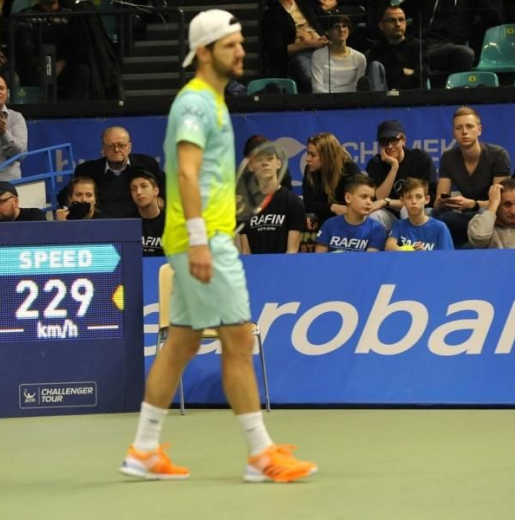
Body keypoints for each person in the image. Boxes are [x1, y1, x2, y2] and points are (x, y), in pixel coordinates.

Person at [120, 10, 317, 483]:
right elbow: (185, 173)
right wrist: (202, 240)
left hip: (201, 237)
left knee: (181, 343)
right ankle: (261, 454)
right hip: (201, 241)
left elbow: (206, 178)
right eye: (231, 44)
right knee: (238, 338)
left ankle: (144, 449)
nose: (242, 51)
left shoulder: (213, 102)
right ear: (205, 52)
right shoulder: (194, 105)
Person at [433, 106, 511, 246]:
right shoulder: (448, 157)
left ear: (479, 130)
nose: (464, 132)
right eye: (459, 128)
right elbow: (438, 203)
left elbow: (503, 202)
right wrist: (444, 201)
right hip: (464, 212)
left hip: (490, 211)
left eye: (469, 126)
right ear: (453, 133)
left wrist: (473, 204)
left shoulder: (498, 155)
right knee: (435, 215)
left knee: (448, 220)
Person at [62, 126, 163, 218]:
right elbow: (66, 196)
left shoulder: (147, 164)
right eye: (110, 146)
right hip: (100, 226)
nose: (116, 149)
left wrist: (161, 199)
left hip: (140, 223)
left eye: (121, 145)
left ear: (129, 147)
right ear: (103, 149)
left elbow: (167, 189)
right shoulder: (86, 170)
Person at [365, 120, 437, 232]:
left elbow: (425, 199)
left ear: (403, 140)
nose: (389, 146)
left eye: (394, 141)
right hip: (390, 216)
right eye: (384, 142)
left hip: (418, 212)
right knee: (375, 216)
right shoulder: (375, 163)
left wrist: (387, 202)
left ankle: (413, 247)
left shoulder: (420, 159)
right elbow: (378, 198)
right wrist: (394, 167)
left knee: (407, 209)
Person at [238, 137, 305, 254]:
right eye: (259, 159)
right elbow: (246, 252)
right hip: (255, 269)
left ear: (278, 163)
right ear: (250, 166)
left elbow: (292, 252)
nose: (265, 163)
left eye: (270, 159)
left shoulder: (293, 203)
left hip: (283, 269)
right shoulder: (245, 207)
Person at [260, 0, 328, 93]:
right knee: (312, 78)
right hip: (301, 53)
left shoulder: (306, 4)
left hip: (323, 47)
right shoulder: (272, 13)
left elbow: (325, 22)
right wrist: (308, 44)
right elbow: (277, 52)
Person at [301, 131, 362, 225]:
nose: (307, 159)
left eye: (313, 155)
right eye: (308, 154)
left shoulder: (349, 169)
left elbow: (358, 201)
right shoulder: (309, 170)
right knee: (309, 218)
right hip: (323, 216)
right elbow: (308, 204)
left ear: (327, 156)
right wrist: (332, 207)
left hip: (346, 218)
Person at [315, 174, 386, 252]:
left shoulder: (377, 229)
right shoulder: (329, 225)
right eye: (364, 197)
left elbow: (370, 262)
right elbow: (319, 260)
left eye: (371, 198)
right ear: (348, 198)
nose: (369, 202)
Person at [366, 5, 429, 91]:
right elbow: (376, 78)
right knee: (375, 66)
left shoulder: (418, 46)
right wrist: (403, 71)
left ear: (406, 23)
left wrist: (393, 74)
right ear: (381, 25)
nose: (398, 24)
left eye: (401, 20)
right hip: (385, 96)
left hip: (410, 95)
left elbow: (420, 77)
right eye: (392, 20)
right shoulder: (377, 48)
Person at [468, 179, 515, 248]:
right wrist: (492, 206)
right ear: (497, 204)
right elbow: (479, 240)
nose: (514, 211)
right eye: (507, 204)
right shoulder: (478, 223)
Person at [386, 178, 454, 251]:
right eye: (409, 197)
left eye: (419, 197)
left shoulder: (440, 227)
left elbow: (446, 258)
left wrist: (423, 255)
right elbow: (389, 246)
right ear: (403, 201)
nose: (414, 201)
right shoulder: (399, 225)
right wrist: (410, 250)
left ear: (427, 199)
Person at [311, 15, 366, 94]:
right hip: (326, 101)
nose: (341, 30)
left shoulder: (360, 58)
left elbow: (359, 89)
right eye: (336, 26)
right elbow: (317, 87)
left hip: (352, 101)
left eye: (344, 26)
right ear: (327, 31)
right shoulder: (318, 55)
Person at [128, 169, 165, 257]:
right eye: (134, 189)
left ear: (155, 190)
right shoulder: (127, 224)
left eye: (144, 186)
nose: (138, 192)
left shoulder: (171, 222)